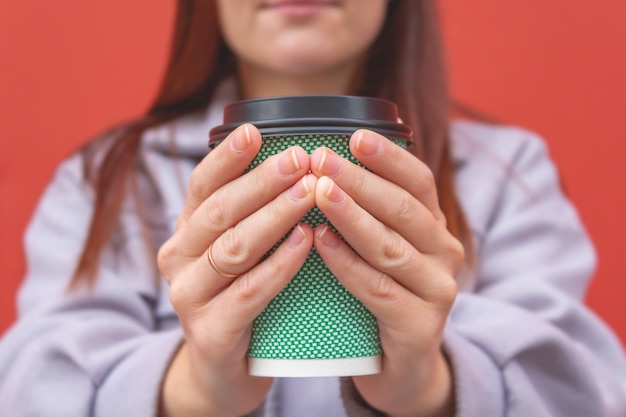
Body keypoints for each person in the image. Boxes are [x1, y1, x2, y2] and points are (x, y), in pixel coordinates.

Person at [1, 1, 625, 416]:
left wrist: (431, 388)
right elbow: (27, 388)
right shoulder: (107, 178)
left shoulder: (506, 173)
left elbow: (591, 392)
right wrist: (193, 389)